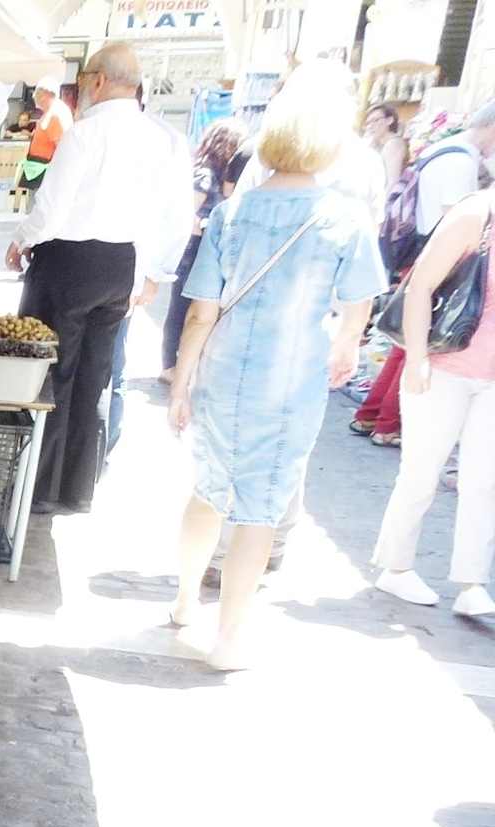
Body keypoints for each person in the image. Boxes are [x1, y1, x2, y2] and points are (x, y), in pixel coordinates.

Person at [167, 67, 385, 669]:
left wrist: (181, 383)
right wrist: (346, 344)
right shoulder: (344, 218)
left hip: (221, 373)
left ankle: (184, 600)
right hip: (290, 382)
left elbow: (200, 311)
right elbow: (360, 301)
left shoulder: (232, 212)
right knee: (259, 510)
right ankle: (228, 638)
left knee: (208, 489)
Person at [6, 43, 192, 514]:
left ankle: (42, 489)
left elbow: (51, 208)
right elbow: (176, 215)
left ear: (100, 80)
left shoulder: (85, 133)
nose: (82, 87)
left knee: (53, 372)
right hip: (120, 265)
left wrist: (21, 240)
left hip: (69, 261)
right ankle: (76, 489)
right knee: (93, 377)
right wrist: (153, 272)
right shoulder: (164, 138)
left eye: (85, 78)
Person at [369, 180, 495, 617]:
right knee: (420, 472)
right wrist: (418, 358)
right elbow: (421, 285)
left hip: (490, 378)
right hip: (445, 366)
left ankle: (471, 583)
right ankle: (395, 566)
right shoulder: (476, 214)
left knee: (484, 481)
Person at [353, 102, 495, 442]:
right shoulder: (461, 161)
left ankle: (373, 415)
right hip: (446, 262)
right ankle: (387, 424)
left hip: (422, 253)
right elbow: (456, 220)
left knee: (407, 342)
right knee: (423, 343)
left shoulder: (442, 149)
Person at [162, 121, 248, 379]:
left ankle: (178, 366)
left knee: (192, 309)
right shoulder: (206, 174)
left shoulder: (217, 174)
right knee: (182, 308)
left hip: (202, 248)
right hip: (195, 249)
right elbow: (187, 215)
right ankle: (169, 366)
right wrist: (209, 227)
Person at [19, 84, 73, 191]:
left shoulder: (54, 116)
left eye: (37, 95)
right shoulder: (47, 114)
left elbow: (59, 145)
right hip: (35, 165)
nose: (35, 98)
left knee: (38, 198)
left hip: (43, 168)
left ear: (45, 95)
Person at [367, 102, 409, 193]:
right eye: (368, 123)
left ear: (389, 120)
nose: (371, 126)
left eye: (375, 120)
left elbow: (392, 183)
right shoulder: (381, 145)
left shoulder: (393, 144)